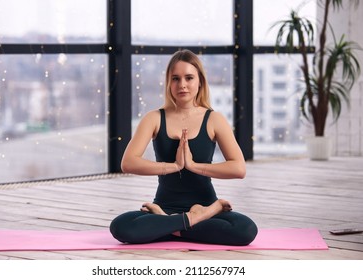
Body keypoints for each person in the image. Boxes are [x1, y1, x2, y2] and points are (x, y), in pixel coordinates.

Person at [109, 49, 258, 245]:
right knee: (120, 227)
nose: (182, 85)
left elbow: (238, 169)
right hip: (166, 206)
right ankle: (188, 220)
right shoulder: (154, 118)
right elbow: (128, 163)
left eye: (189, 78)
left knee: (246, 230)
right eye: (176, 79)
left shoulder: (214, 119)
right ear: (169, 83)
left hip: (205, 207)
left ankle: (168, 225)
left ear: (200, 81)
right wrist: (175, 166)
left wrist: (193, 166)